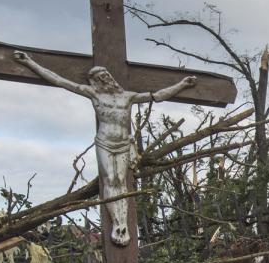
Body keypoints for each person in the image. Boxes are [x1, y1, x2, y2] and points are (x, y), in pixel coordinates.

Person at [13, 51, 196, 246]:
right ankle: (117, 224)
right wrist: (31, 63)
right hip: (105, 141)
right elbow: (60, 80)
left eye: (105, 76)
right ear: (94, 82)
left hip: (123, 143)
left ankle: (123, 224)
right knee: (110, 179)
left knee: (121, 182)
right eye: (99, 78)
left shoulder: (127, 97)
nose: (104, 80)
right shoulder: (94, 94)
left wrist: (182, 84)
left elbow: (157, 96)